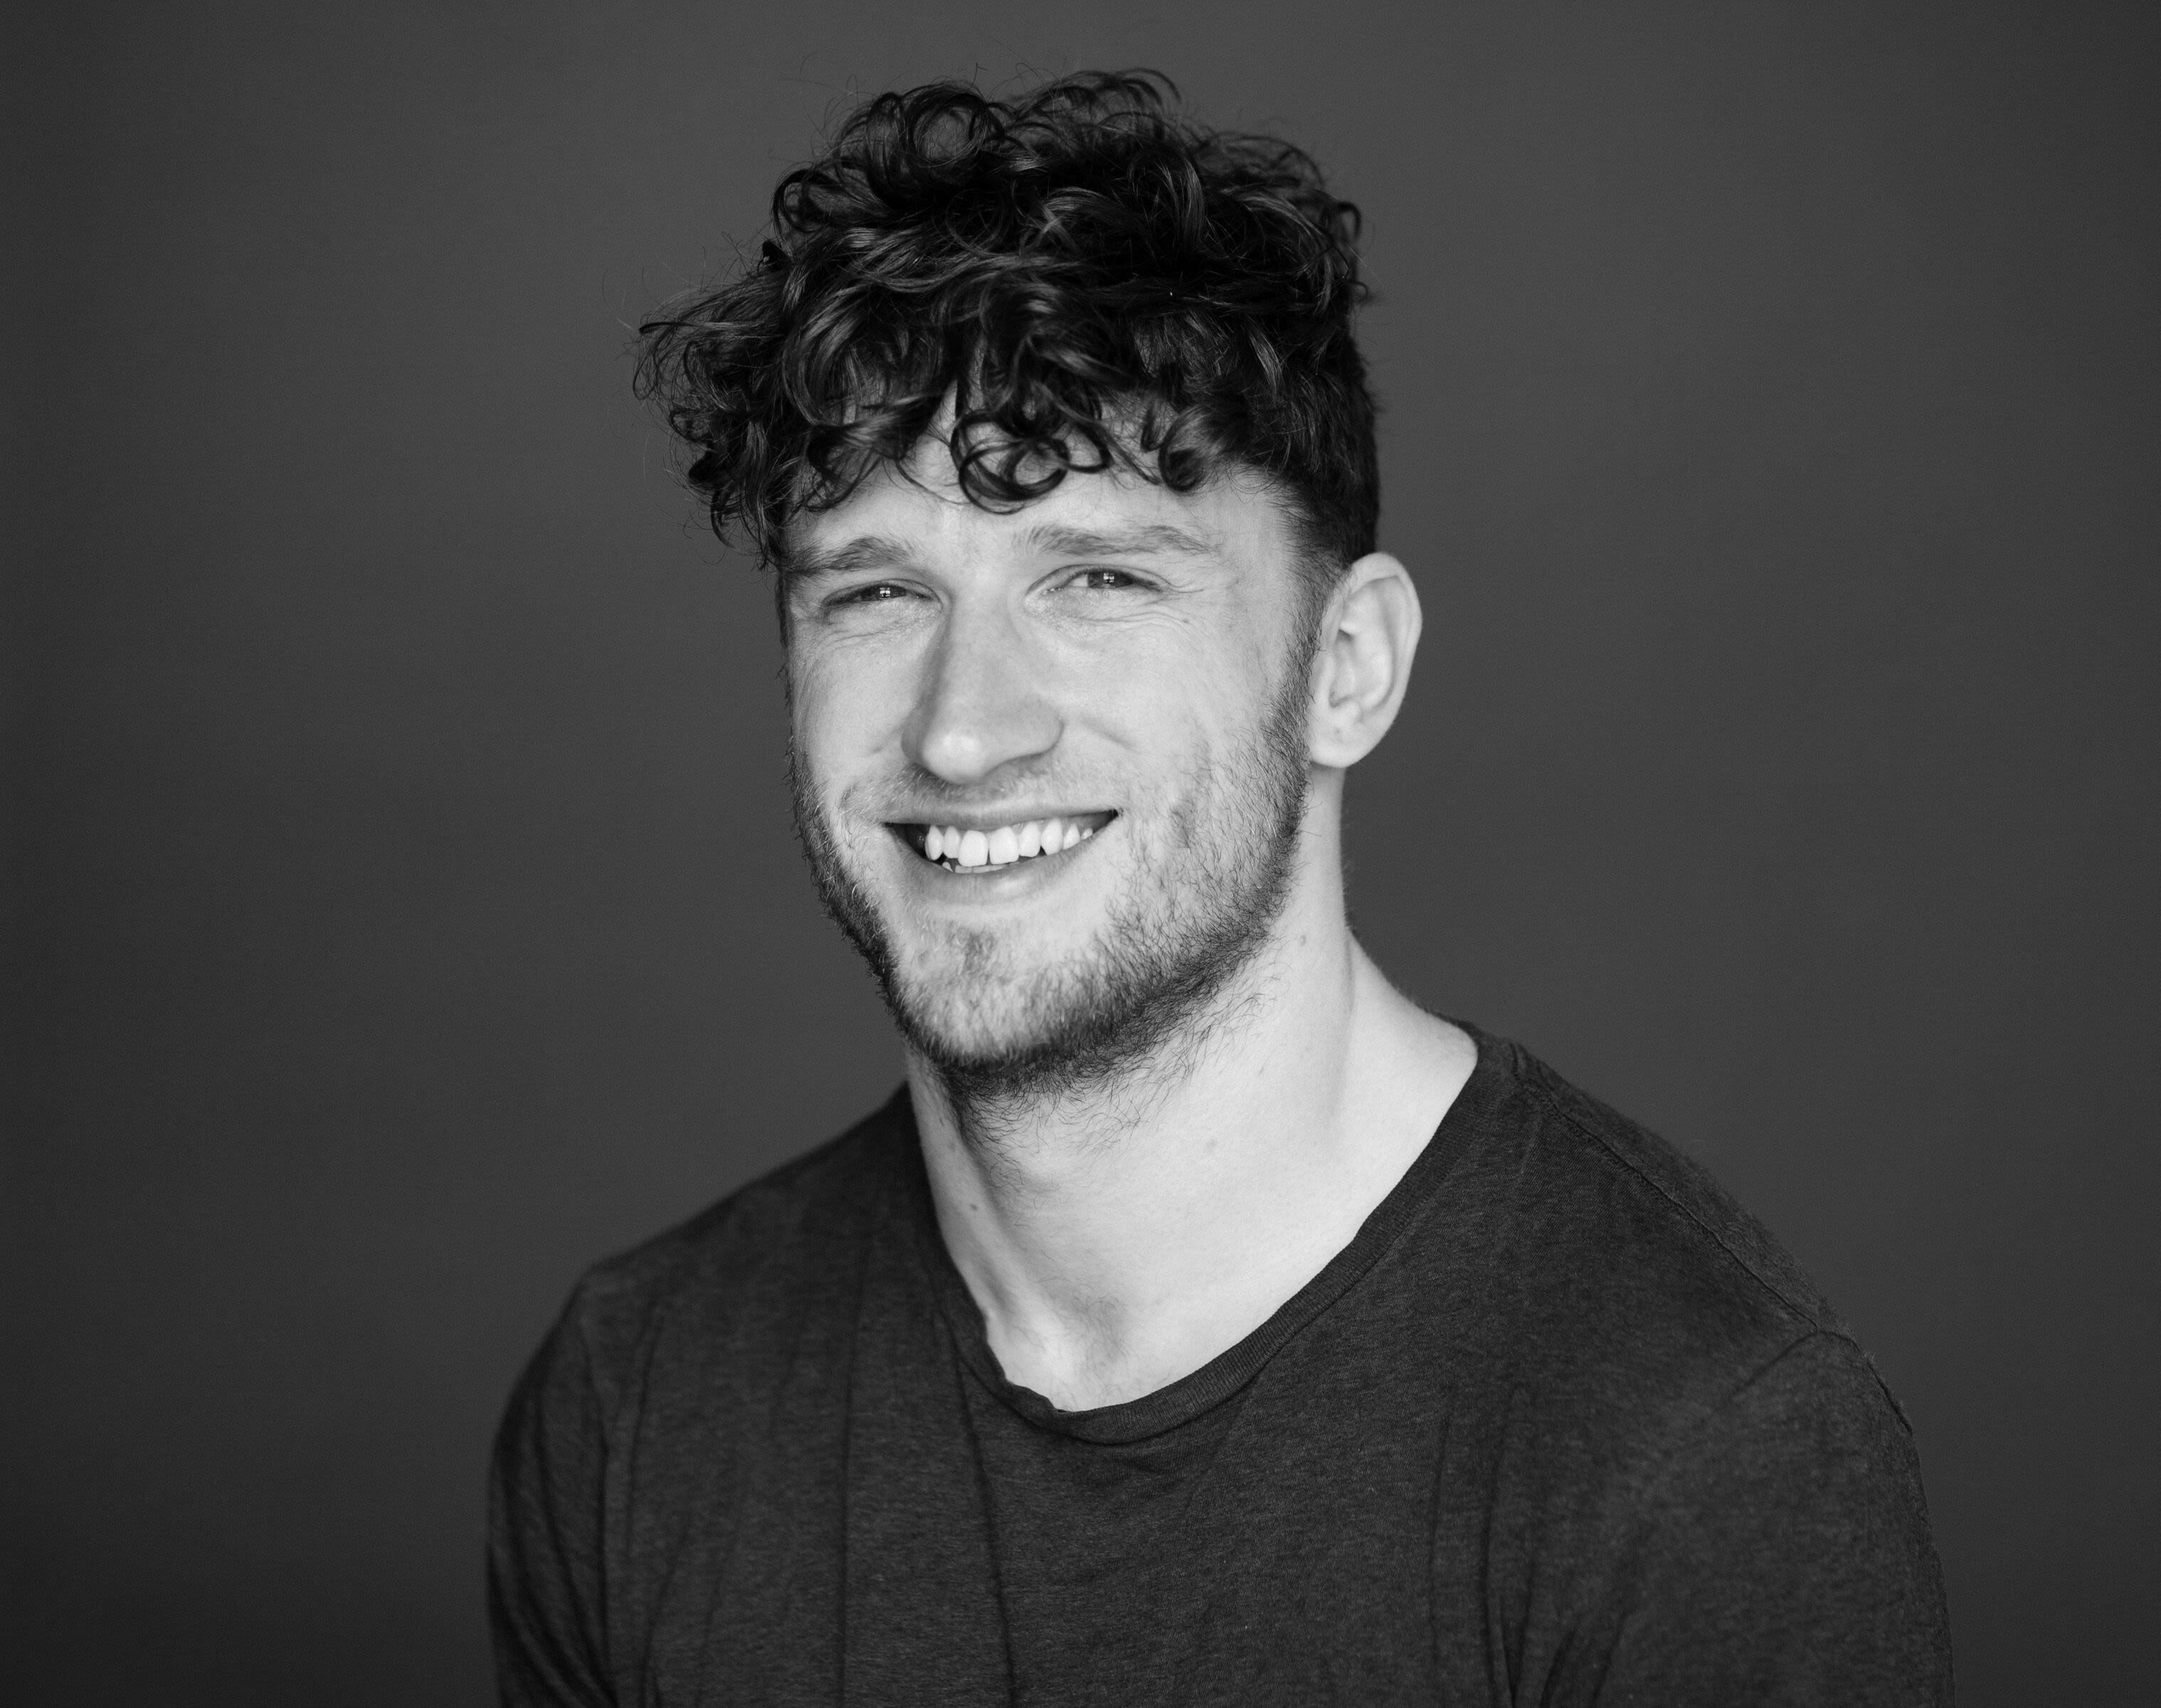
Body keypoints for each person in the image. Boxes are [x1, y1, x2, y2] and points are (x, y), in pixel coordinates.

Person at [488, 71, 1953, 1706]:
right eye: (877, 593)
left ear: (1347, 666)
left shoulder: (1701, 1448)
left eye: (1099, 578)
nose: (962, 731)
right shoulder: (639, 1398)